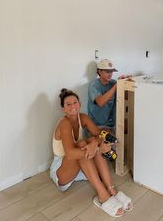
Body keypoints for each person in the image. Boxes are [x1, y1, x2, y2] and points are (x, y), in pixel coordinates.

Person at [50, 88, 133, 217]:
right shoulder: (64, 123)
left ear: (79, 104)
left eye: (75, 102)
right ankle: (102, 196)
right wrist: (98, 148)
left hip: (79, 164)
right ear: (63, 109)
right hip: (62, 169)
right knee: (83, 145)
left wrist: (95, 143)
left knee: (90, 142)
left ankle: (112, 190)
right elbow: (71, 154)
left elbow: (99, 135)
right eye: (68, 104)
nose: (73, 106)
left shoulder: (82, 118)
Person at [88, 59, 130, 132]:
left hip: (111, 125)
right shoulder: (94, 85)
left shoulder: (113, 83)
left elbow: (125, 96)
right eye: (107, 72)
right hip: (96, 126)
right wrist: (115, 87)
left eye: (111, 71)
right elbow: (100, 102)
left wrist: (123, 82)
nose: (110, 74)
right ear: (99, 71)